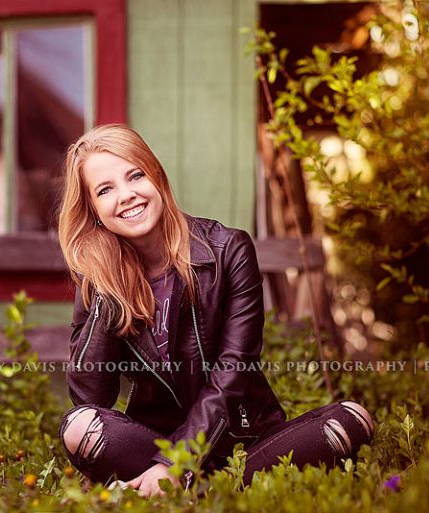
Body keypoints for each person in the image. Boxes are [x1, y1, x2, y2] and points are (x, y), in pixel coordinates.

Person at [56, 124, 374, 497]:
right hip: (154, 442)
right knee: (79, 426)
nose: (126, 195)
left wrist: (180, 460)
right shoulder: (98, 276)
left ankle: (180, 487)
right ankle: (212, 490)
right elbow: (91, 396)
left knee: (354, 417)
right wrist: (104, 289)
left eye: (135, 175)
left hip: (243, 440)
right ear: (93, 210)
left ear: (156, 175)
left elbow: (234, 368)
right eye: (105, 190)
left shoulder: (228, 250)